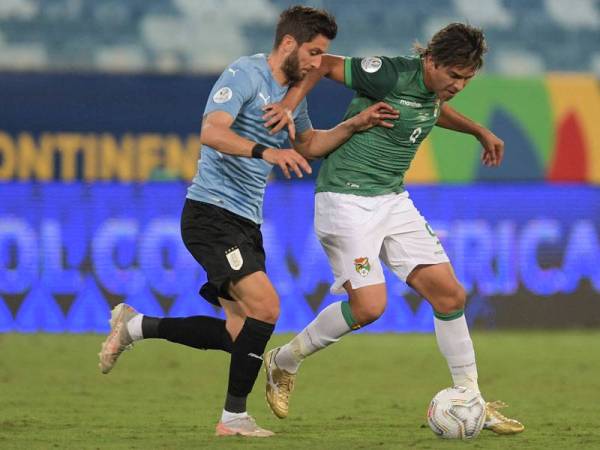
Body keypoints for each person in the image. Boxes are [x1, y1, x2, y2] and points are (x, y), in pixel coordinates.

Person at [97, 6, 398, 438]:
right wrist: (266, 151)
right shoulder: (244, 75)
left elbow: (310, 144)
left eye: (322, 55)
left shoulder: (295, 93)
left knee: (243, 337)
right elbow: (211, 131)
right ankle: (233, 418)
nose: (317, 64)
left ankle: (135, 327)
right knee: (267, 307)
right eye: (313, 52)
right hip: (210, 213)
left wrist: (355, 123)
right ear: (289, 44)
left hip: (245, 222)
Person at [262, 22, 525, 435]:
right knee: (369, 307)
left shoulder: (432, 92)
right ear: (431, 60)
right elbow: (323, 64)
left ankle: (470, 397)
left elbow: (431, 110)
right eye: (453, 75)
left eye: (466, 79)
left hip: (392, 199)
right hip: (345, 199)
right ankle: (284, 360)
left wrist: (478, 129)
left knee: (450, 293)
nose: (457, 85)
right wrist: (290, 104)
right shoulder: (388, 73)